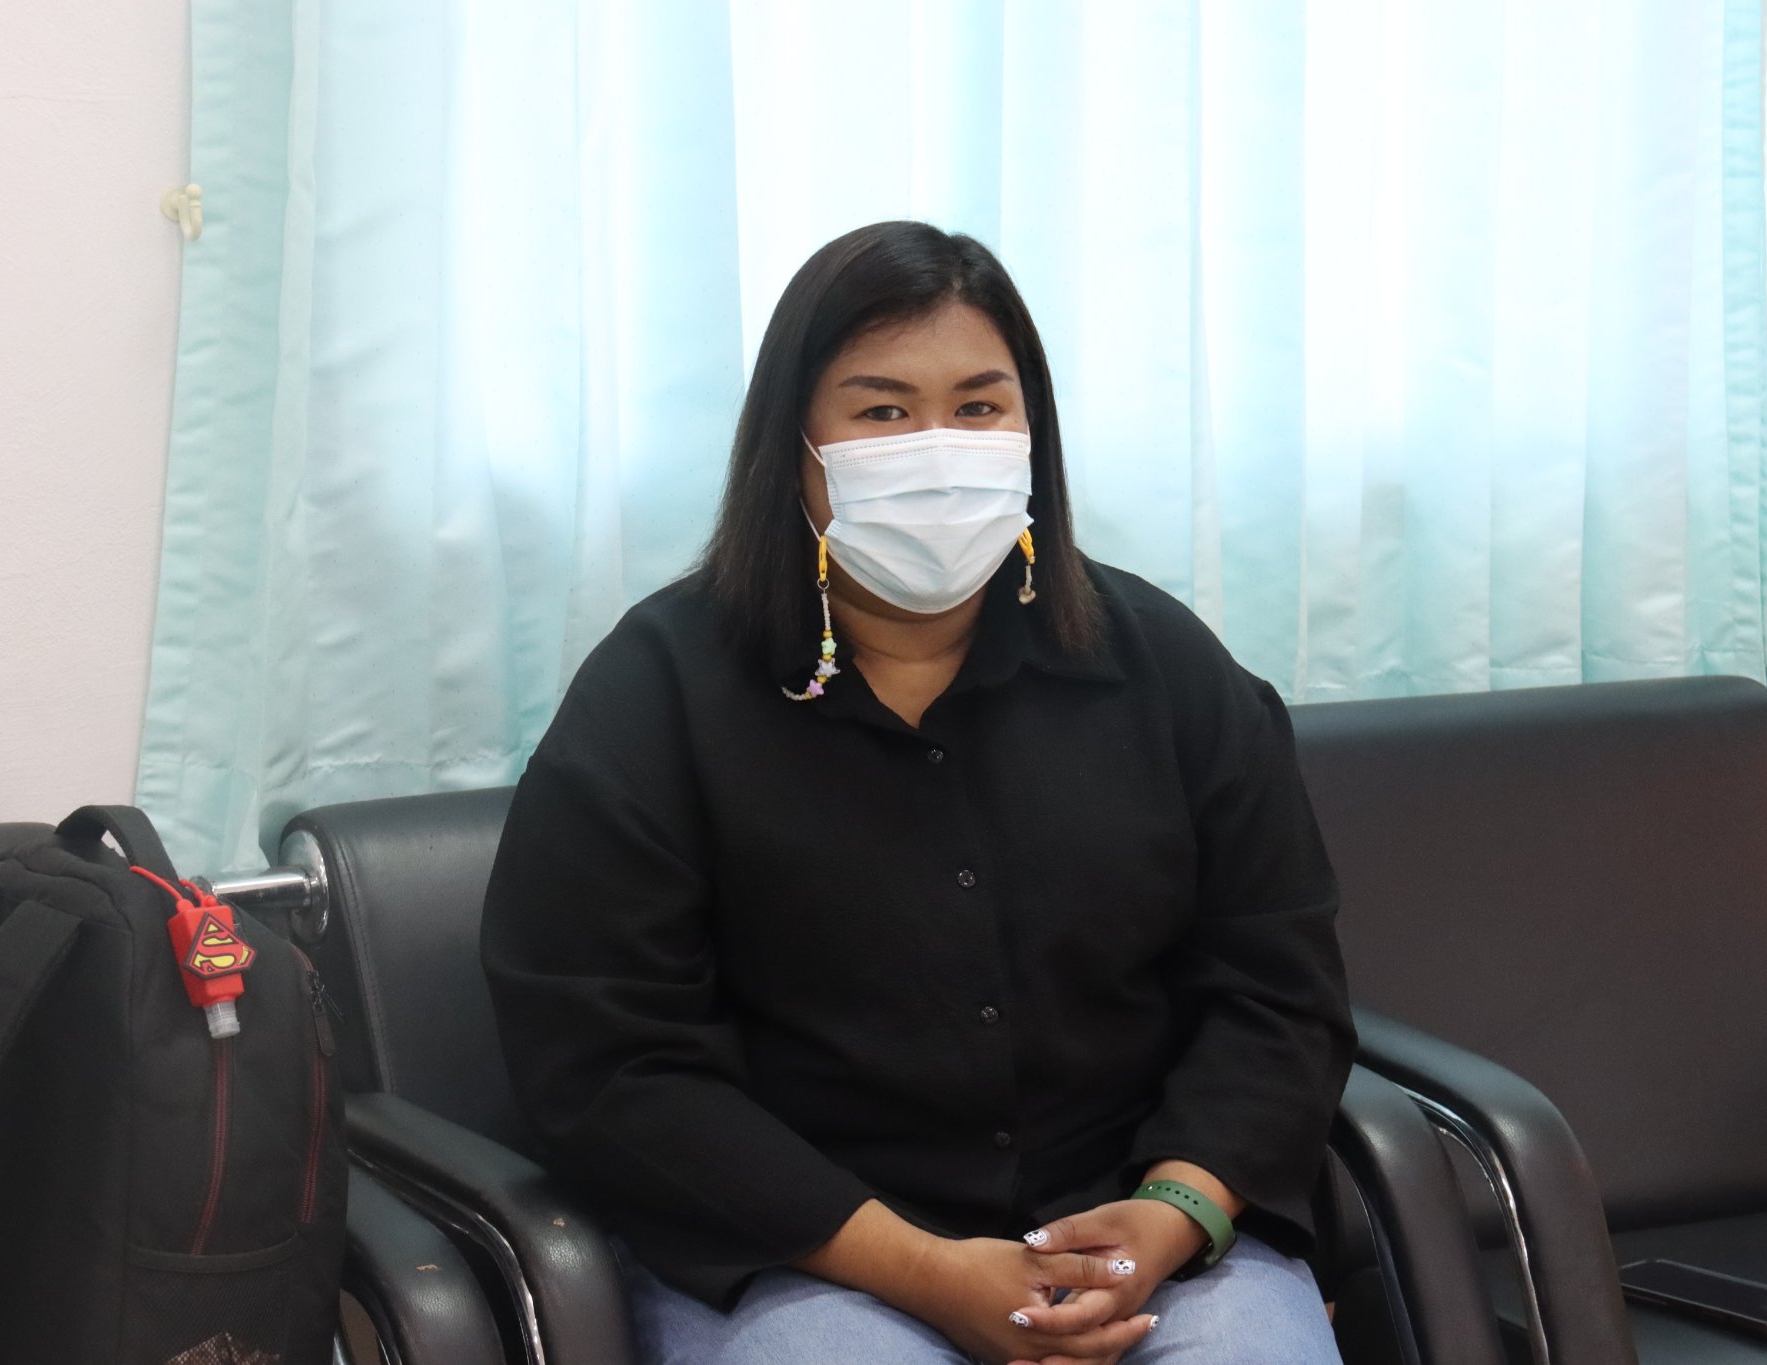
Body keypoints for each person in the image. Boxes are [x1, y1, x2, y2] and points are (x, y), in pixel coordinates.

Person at [482, 221, 1354, 1365]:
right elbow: (607, 1061)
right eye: (883, 412)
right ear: (793, 445)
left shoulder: (1163, 667)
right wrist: (924, 1271)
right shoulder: (656, 694)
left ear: (1031, 433)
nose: (938, 448)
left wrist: (1170, 1214)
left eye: (978, 407)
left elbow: (1275, 989)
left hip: (1137, 1228)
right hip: (802, 1253)